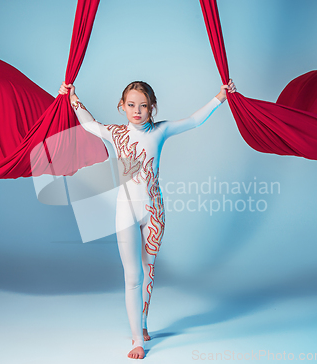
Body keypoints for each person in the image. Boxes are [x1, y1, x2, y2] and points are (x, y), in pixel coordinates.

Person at [59, 79, 236, 359]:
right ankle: (136, 340)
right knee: (133, 276)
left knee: (148, 272)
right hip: (126, 212)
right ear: (122, 106)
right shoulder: (116, 133)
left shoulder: (160, 130)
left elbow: (193, 121)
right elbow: (88, 124)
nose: (137, 111)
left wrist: (221, 97)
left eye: (143, 105)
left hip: (154, 212)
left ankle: (142, 325)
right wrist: (73, 97)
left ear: (152, 107)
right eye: (131, 105)